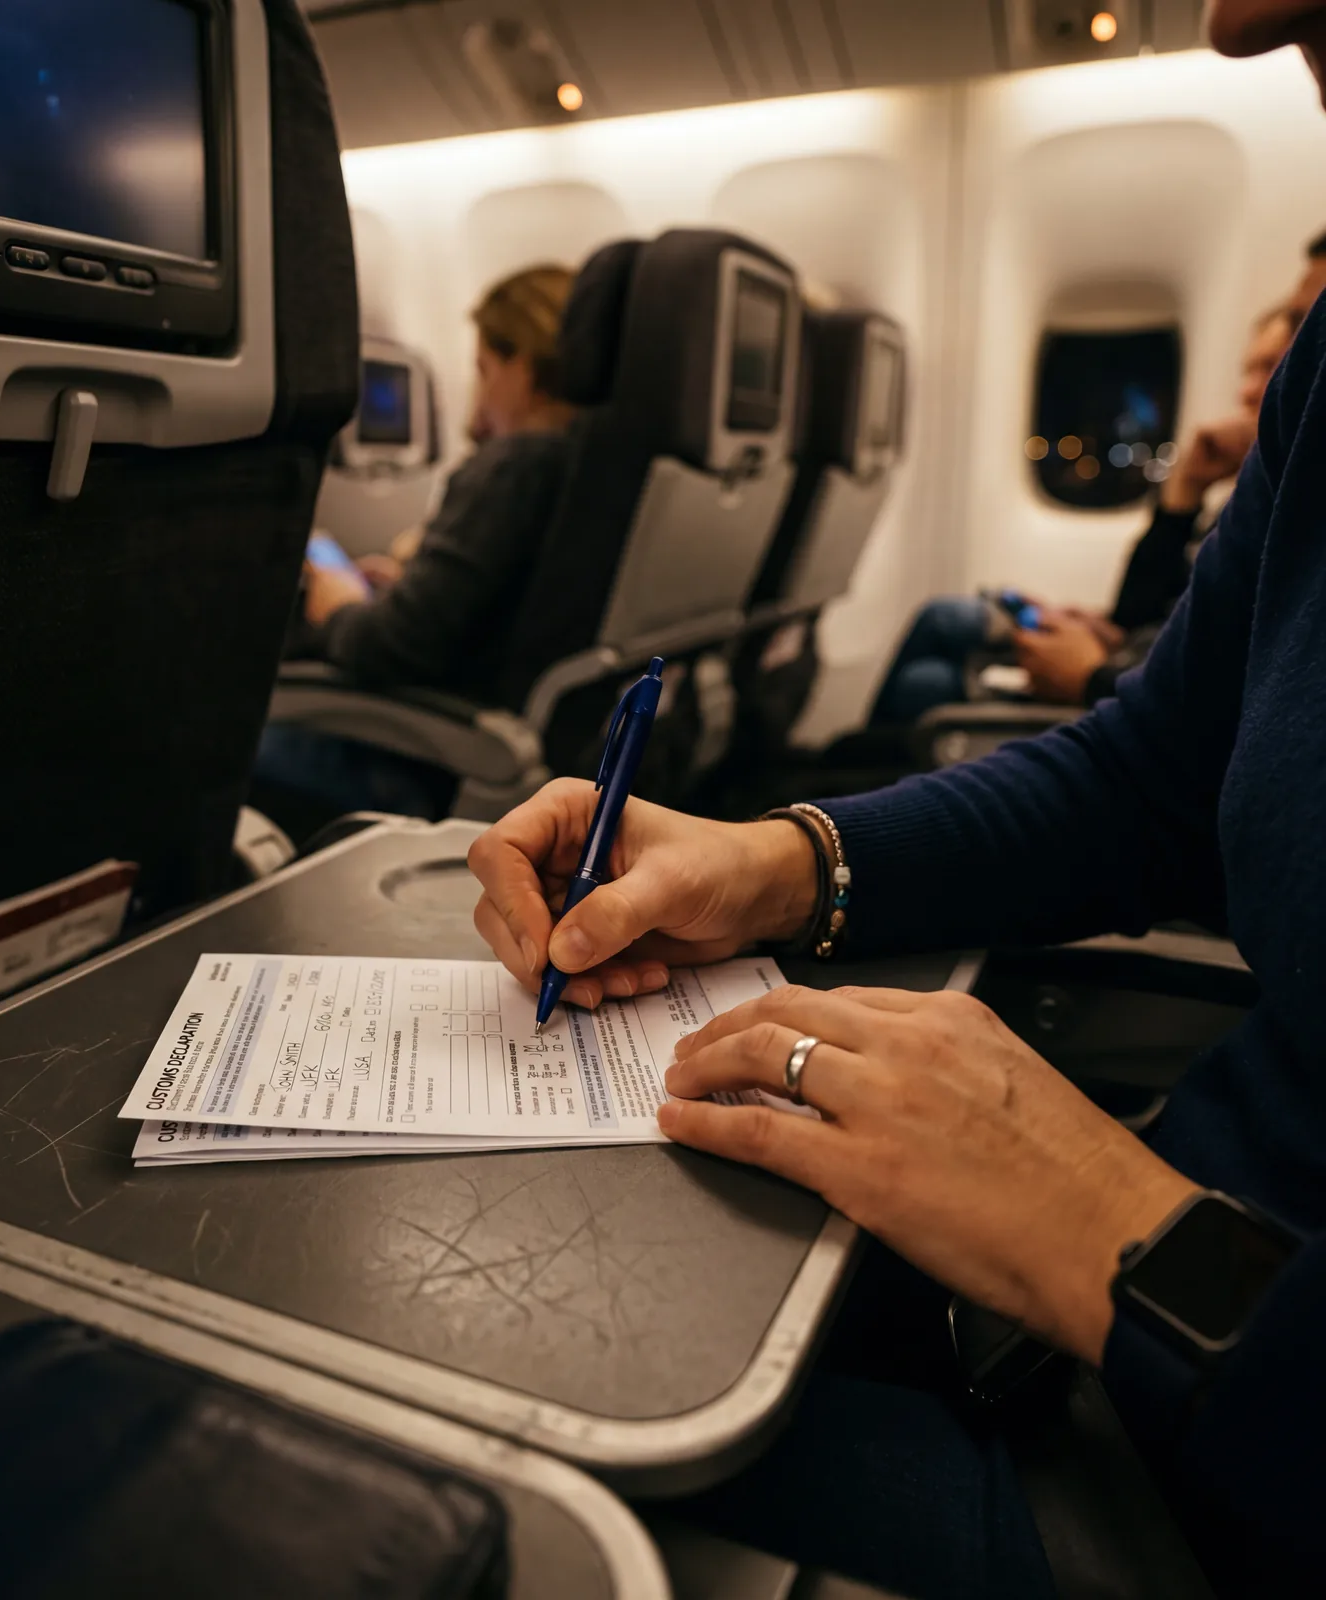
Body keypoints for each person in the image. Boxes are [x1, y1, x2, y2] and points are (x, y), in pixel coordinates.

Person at [466, 5, 1326, 1592]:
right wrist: (765, 863)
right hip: (1154, 1292)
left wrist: (1132, 1248)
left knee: (435, 1448)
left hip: (1236, 1463)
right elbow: (1147, 778)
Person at [867, 252, 1324, 726]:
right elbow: (1148, 618)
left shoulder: (1291, 515)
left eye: (1271, 365)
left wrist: (1093, 673)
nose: (1249, 391)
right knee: (944, 627)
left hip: (1130, 703)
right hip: (1133, 671)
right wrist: (1183, 490)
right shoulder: (1256, 492)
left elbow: (1216, 700)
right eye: (1247, 371)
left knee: (931, 681)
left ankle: (833, 780)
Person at [253, 265, 577, 831]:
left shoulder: (516, 468)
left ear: (522, 363)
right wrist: (410, 588)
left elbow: (386, 650)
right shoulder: (587, 465)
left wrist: (340, 608)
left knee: (217, 740)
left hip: (428, 755)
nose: (479, 391)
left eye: (484, 370)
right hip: (496, 730)